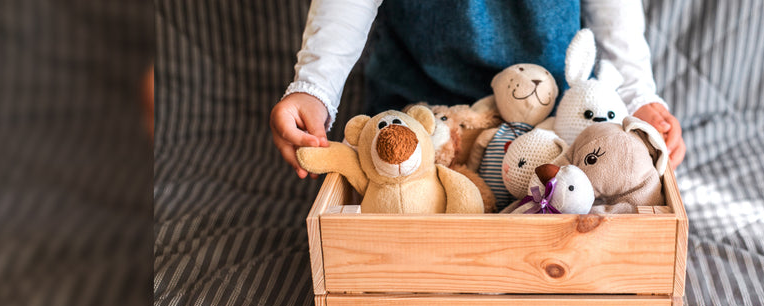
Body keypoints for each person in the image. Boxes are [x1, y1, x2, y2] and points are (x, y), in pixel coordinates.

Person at [270, 0, 685, 179]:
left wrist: (638, 96)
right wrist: (314, 88)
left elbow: (615, 14)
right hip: (416, 113)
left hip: (553, 119)